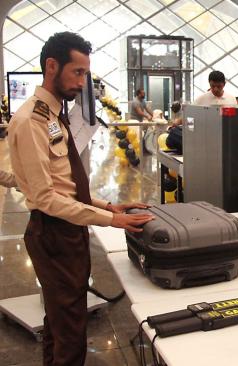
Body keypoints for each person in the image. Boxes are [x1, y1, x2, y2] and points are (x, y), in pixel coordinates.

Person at [8, 32, 155, 366]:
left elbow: (64, 185)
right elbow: (46, 198)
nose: (82, 81)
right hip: (54, 234)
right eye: (77, 72)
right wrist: (112, 221)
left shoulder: (54, 115)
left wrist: (107, 206)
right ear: (51, 66)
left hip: (67, 231)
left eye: (85, 74)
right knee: (71, 333)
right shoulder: (32, 120)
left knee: (60, 324)